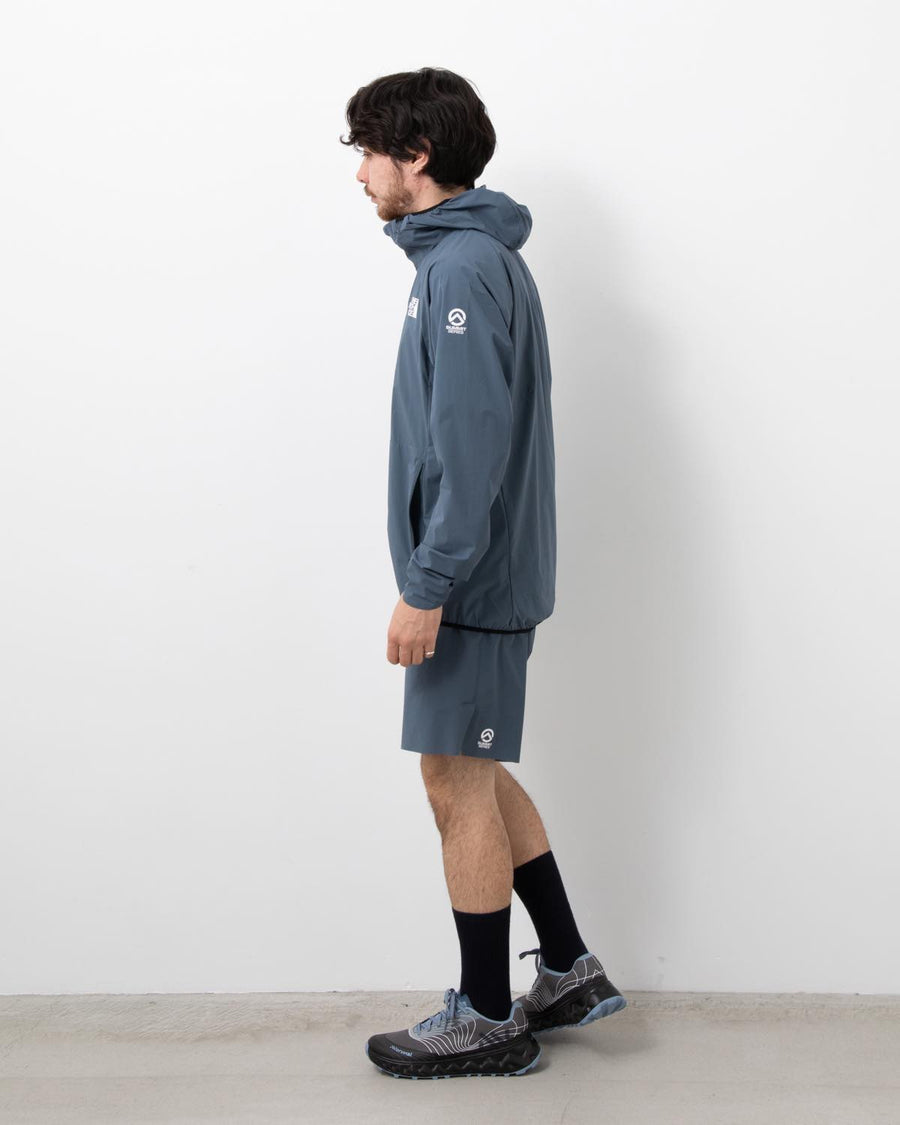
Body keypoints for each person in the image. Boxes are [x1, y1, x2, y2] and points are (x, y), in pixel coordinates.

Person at [340, 67, 626, 1080]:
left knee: (453, 779)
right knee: (480, 769)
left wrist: (429, 583)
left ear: (415, 157)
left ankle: (490, 1017)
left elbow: (469, 446)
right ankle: (569, 968)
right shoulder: (466, 260)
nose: (360, 173)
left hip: (469, 584)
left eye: (368, 151)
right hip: (484, 577)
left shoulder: (461, 270)